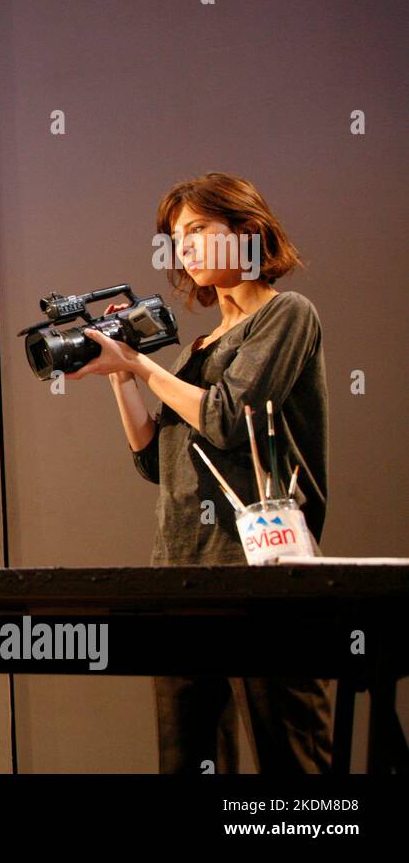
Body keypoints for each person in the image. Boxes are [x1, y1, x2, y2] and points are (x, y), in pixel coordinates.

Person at [66, 172, 332, 773]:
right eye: (174, 237)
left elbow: (227, 419)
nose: (181, 247)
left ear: (246, 231)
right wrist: (120, 373)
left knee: (290, 761)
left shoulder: (287, 315)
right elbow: (153, 460)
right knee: (188, 759)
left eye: (196, 231)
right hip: (180, 574)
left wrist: (141, 362)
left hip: (261, 574)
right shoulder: (199, 347)